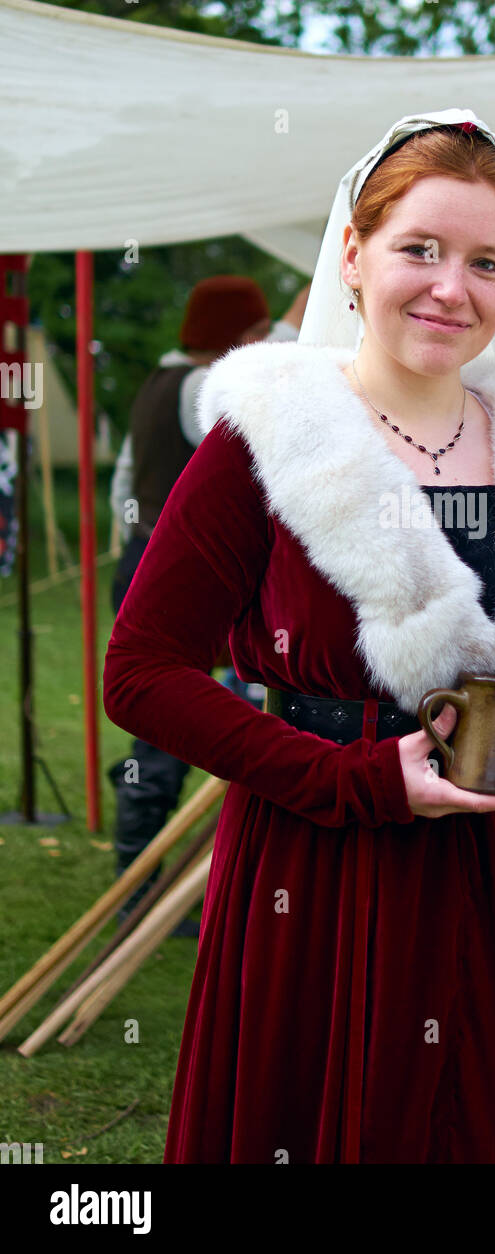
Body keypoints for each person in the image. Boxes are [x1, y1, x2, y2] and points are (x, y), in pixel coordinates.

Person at [102, 109, 495, 1164]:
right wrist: (359, 781)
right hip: (316, 866)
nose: (449, 287)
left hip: (490, 871)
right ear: (352, 253)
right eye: (417, 248)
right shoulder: (270, 438)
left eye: (485, 260)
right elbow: (141, 672)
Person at [107, 276, 271, 923]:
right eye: (254, 336)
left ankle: (143, 885)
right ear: (234, 339)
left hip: (143, 559)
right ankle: (140, 890)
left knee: (175, 724)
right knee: (168, 725)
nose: (263, 346)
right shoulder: (208, 389)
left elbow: (125, 479)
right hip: (178, 576)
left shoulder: (156, 381)